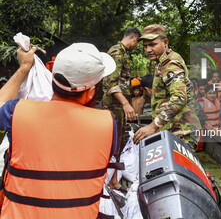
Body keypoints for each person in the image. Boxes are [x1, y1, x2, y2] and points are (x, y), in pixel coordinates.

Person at [0, 43, 117, 218]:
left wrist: (25, 67)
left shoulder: (16, 112)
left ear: (53, 77)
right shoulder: (108, 124)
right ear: (92, 92)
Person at [133, 24, 201, 144]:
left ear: (165, 42)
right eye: (145, 46)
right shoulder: (161, 62)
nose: (148, 50)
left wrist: (153, 126)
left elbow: (180, 98)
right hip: (171, 129)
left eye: (153, 45)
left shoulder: (171, 64)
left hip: (181, 131)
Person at [101, 27, 141, 192]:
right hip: (113, 106)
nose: (136, 45)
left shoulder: (123, 53)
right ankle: (109, 180)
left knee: (119, 142)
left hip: (119, 106)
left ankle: (114, 180)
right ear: (134, 39)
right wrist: (125, 103)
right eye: (137, 42)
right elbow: (110, 82)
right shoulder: (117, 52)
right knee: (112, 143)